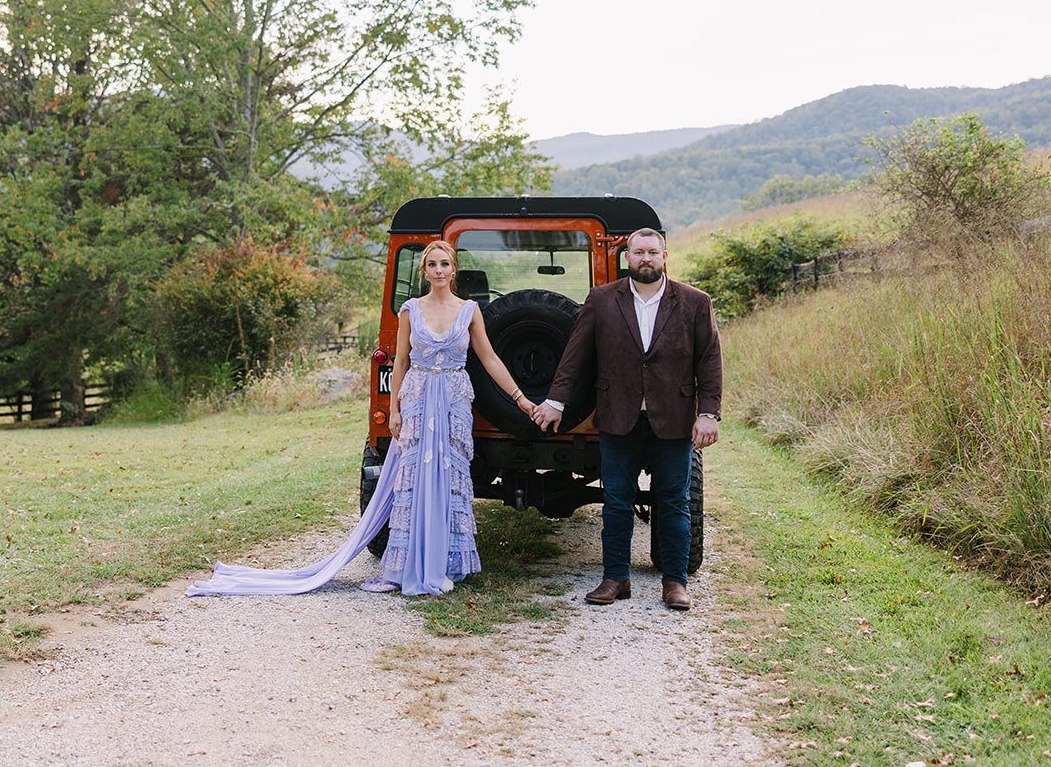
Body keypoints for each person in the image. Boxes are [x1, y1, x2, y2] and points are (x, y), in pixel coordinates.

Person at [187, 240, 540, 597]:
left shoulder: (469, 311)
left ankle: (446, 564)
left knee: (449, 479)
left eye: (444, 264)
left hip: (453, 402)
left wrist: (521, 400)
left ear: (454, 270)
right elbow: (400, 362)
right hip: (417, 400)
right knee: (413, 481)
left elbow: (491, 359)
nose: (438, 270)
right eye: (432, 264)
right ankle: (406, 567)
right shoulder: (410, 310)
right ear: (424, 271)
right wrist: (396, 410)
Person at [531, 227, 721, 610]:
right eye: (638, 252)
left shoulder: (694, 302)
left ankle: (675, 582)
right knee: (617, 502)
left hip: (674, 419)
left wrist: (708, 413)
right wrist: (555, 401)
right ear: (627, 257)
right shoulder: (602, 300)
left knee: (675, 502)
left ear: (665, 255)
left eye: (653, 252)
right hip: (618, 418)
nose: (645, 258)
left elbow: (709, 360)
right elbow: (575, 357)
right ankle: (615, 578)